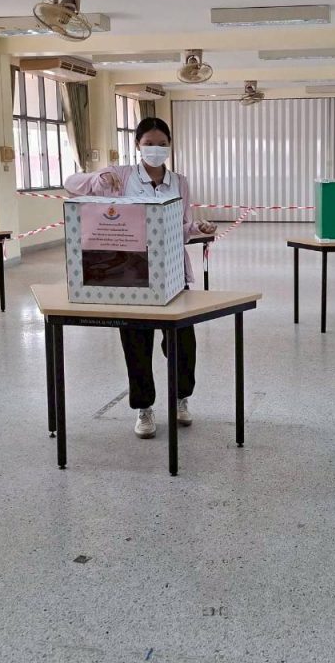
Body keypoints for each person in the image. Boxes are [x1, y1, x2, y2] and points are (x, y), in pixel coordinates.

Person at [64, 117, 216, 439]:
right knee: (136, 343)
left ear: (170, 146)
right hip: (131, 272)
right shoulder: (120, 176)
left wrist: (196, 227)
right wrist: (98, 177)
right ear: (137, 145)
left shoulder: (180, 182)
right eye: (149, 144)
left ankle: (181, 398)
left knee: (182, 342)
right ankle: (144, 408)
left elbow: (181, 226)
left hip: (173, 272)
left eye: (162, 144)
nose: (155, 149)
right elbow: (71, 183)